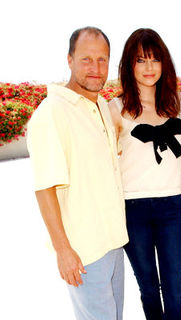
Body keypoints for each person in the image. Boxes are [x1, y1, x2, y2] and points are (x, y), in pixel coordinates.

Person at [27, 27, 128, 320]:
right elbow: (45, 187)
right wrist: (64, 251)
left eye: (102, 60)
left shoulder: (99, 107)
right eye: (86, 59)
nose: (95, 68)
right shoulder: (52, 112)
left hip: (113, 243)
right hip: (85, 252)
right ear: (69, 60)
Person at [109, 28, 181, 320]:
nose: (149, 67)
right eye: (141, 60)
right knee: (149, 290)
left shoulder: (178, 103)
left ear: (164, 63)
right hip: (133, 210)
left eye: (155, 59)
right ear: (130, 65)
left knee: (175, 291)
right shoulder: (114, 108)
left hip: (172, 207)